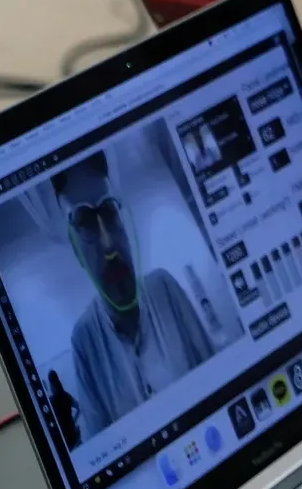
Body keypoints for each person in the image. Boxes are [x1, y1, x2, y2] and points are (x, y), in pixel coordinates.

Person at [52, 151, 217, 439]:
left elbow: (217, 380)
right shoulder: (84, 338)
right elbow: (99, 445)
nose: (107, 244)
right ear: (75, 247)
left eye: (109, 213)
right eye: (86, 223)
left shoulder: (164, 286)